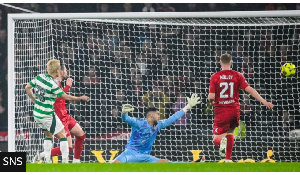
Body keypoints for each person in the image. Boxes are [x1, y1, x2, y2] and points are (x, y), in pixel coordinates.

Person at [207, 53, 274, 162]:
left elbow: (211, 96)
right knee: (230, 133)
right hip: (234, 110)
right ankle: (228, 159)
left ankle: (221, 143)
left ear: (220, 63)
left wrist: (211, 101)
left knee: (216, 139)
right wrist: (264, 101)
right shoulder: (237, 75)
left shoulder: (215, 76)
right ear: (231, 63)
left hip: (221, 110)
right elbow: (250, 90)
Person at [25, 59, 89, 163]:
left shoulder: (53, 81)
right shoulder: (54, 83)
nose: (67, 72)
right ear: (60, 71)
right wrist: (70, 88)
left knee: (81, 135)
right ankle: (42, 155)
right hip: (58, 117)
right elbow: (59, 98)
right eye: (66, 70)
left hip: (65, 115)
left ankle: (76, 162)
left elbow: (28, 87)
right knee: (67, 146)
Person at [112, 93, 201, 163]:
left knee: (164, 162)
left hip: (144, 156)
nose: (159, 116)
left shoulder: (158, 125)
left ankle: (191, 163)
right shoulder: (138, 123)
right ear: (151, 115)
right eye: (157, 114)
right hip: (129, 153)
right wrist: (123, 113)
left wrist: (187, 107)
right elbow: (127, 119)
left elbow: (172, 118)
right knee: (113, 166)